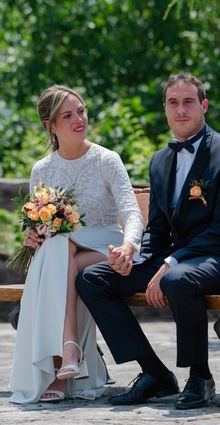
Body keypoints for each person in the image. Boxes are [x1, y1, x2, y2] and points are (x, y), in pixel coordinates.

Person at [76, 72, 220, 409]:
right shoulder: (160, 160)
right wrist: (133, 256)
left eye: (188, 102)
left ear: (204, 106)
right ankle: (154, 374)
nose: (181, 110)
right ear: (165, 109)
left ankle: (200, 378)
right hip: (181, 259)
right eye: (173, 103)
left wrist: (169, 263)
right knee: (93, 278)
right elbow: (160, 227)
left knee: (178, 279)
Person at [9, 85, 143, 403]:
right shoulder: (42, 169)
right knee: (58, 248)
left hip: (105, 246)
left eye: (80, 111)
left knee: (58, 251)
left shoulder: (107, 160)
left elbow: (132, 212)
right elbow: (38, 223)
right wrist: (32, 237)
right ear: (51, 126)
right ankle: (70, 353)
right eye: (67, 115)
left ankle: (62, 362)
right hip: (66, 251)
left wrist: (129, 247)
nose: (78, 119)